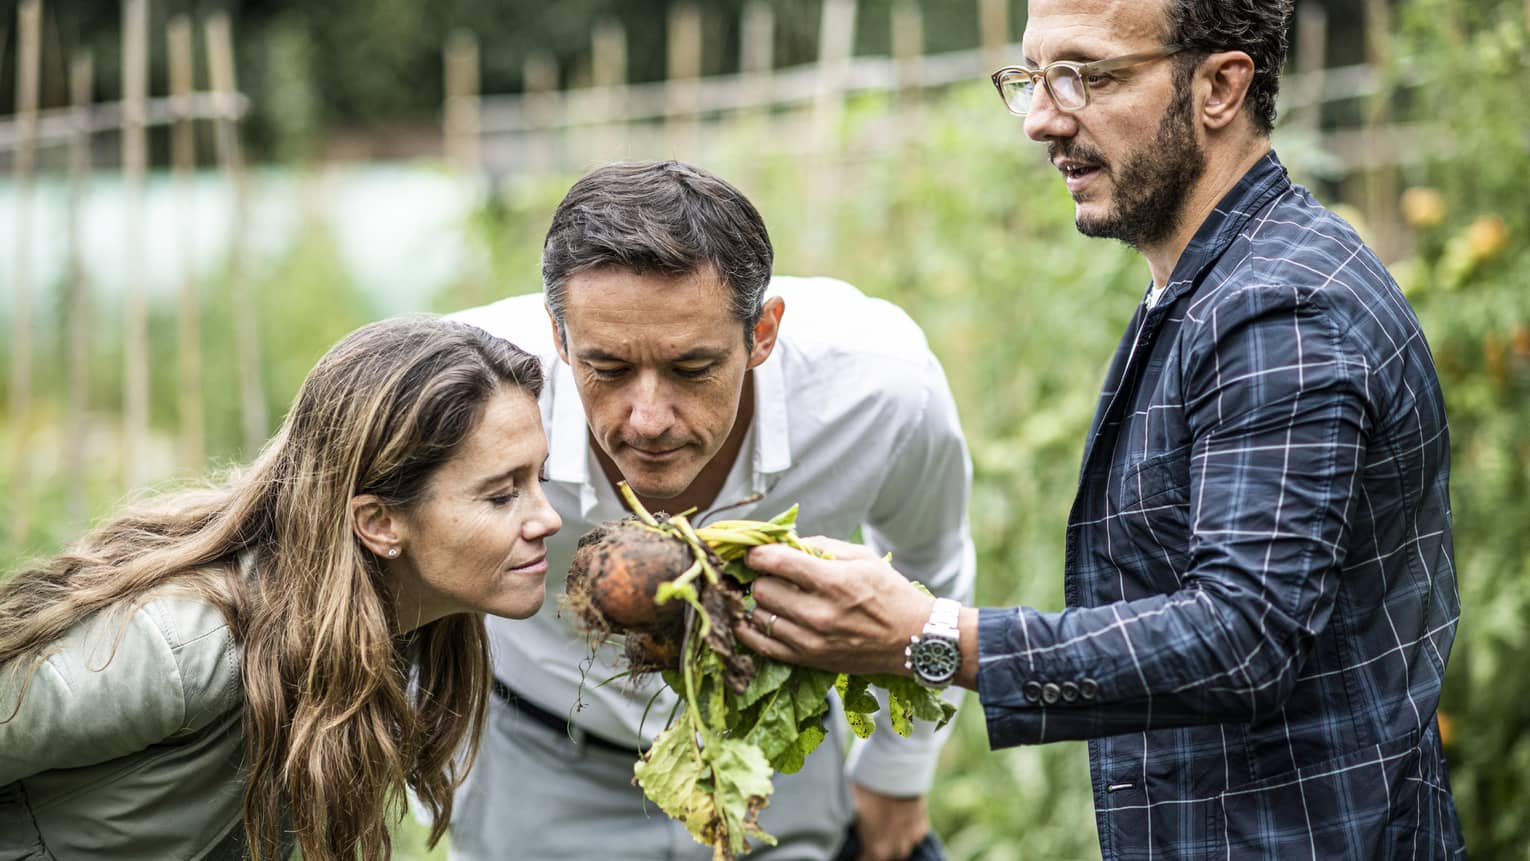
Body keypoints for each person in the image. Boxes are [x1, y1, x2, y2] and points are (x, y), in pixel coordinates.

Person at [737, 0, 1465, 857]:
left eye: (1087, 75)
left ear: (1221, 86)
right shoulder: (1212, 279)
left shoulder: (1281, 312)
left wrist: (929, 636)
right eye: (1033, 78)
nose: (1044, 119)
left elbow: (1242, 635)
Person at [446, 160, 974, 861]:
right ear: (557, 334)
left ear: (763, 332)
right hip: (539, 762)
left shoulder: (878, 389)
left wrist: (896, 774)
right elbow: (377, 569)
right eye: (606, 368)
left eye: (692, 369)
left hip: (774, 753)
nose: (649, 418)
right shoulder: (464, 391)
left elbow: (929, 563)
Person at [0, 317, 561, 861]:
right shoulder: (181, 649)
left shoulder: (382, 630)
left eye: (540, 478)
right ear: (379, 522)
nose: (549, 518)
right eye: (500, 496)